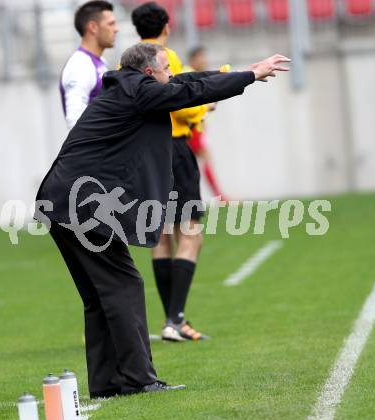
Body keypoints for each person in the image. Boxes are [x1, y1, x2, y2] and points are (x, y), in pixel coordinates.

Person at [35, 42, 290, 398]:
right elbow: (189, 90)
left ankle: (108, 382)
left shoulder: (129, 88)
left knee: (99, 295)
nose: (170, 75)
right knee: (123, 285)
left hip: (60, 200)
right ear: (149, 73)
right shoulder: (140, 92)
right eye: (165, 70)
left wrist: (238, 72)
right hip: (80, 204)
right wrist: (249, 76)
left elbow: (186, 81)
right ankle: (139, 379)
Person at [132, 2, 221, 342]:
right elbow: (180, 104)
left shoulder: (129, 61)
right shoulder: (166, 57)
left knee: (162, 236)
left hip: (147, 153)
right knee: (191, 233)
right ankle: (175, 318)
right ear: (167, 25)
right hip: (175, 149)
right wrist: (206, 105)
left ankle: (172, 320)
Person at [60, 0, 119, 130]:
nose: (116, 29)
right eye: (111, 24)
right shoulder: (80, 65)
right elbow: (74, 121)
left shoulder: (100, 61)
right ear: (93, 27)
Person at [185, 46, 227, 200]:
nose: (205, 61)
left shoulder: (195, 75)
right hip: (190, 128)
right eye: (201, 57)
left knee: (193, 163)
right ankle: (219, 197)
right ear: (194, 59)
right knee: (202, 159)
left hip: (195, 126)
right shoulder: (188, 74)